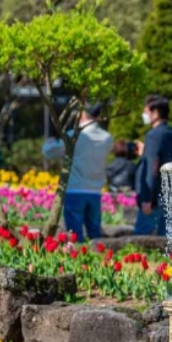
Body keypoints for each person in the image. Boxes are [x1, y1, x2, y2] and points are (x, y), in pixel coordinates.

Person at [42, 103, 113, 240]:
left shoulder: (74, 135)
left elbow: (49, 153)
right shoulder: (107, 138)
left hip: (74, 189)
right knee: (95, 234)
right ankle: (98, 259)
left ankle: (78, 259)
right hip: (95, 190)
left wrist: (49, 142)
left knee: (74, 235)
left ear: (81, 114)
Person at [134, 94, 172, 236]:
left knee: (140, 240)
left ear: (155, 113)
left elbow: (152, 168)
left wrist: (146, 199)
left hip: (156, 197)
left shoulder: (153, 135)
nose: (144, 115)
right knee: (167, 241)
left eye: (146, 112)